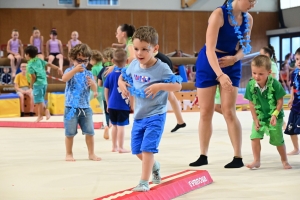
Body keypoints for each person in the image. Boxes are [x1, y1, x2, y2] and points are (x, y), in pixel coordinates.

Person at [190, 0, 255, 168]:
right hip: (209, 61)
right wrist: (219, 74)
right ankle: (203, 154)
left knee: (229, 110)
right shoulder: (218, 15)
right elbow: (210, 49)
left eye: (255, 1)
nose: (253, 4)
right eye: (250, 0)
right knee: (205, 111)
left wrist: (235, 58)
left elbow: (245, 46)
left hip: (231, 61)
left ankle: (238, 157)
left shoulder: (248, 18)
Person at [118, 26, 182, 192]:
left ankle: (143, 182)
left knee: (147, 149)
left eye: (144, 50)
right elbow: (122, 76)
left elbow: (177, 85)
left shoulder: (161, 68)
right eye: (136, 49)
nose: (139, 53)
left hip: (156, 115)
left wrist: (159, 86)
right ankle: (155, 165)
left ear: (155, 49)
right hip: (139, 115)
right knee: (137, 150)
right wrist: (122, 84)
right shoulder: (134, 65)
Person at [244, 55, 291, 169]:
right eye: (254, 73)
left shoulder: (275, 84)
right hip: (260, 116)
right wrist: (255, 119)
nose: (256, 76)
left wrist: (274, 115)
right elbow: (251, 103)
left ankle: (284, 160)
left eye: (260, 74)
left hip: (275, 116)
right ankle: (256, 160)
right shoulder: (251, 85)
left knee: (277, 140)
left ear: (269, 72)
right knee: (254, 136)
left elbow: (280, 102)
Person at [61, 43, 100, 162]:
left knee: (90, 132)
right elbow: (64, 78)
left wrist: (94, 86)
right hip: (71, 107)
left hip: (85, 107)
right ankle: (69, 153)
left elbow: (94, 89)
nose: (82, 64)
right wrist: (74, 70)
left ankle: (91, 153)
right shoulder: (70, 70)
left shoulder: (88, 74)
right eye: (79, 60)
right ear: (73, 59)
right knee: (70, 133)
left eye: (85, 61)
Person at [25, 46, 63, 122]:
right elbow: (49, 64)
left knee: (39, 100)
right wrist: (58, 68)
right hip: (44, 83)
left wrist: (30, 87)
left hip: (38, 83)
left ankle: (43, 113)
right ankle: (43, 114)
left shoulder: (29, 65)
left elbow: (33, 77)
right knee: (40, 100)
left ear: (27, 55)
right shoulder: (39, 60)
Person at [104, 48, 131, 153]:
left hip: (112, 104)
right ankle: (121, 147)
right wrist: (132, 104)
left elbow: (106, 90)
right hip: (122, 105)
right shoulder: (126, 75)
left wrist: (107, 103)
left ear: (113, 61)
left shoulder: (110, 75)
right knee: (121, 126)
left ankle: (114, 146)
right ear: (127, 61)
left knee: (114, 125)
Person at [154, 51, 186, 132]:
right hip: (162, 59)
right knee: (170, 95)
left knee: (163, 93)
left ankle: (179, 121)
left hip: (160, 61)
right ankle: (180, 121)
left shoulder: (131, 43)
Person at [284, 47, 300, 155]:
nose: (299, 62)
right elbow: (293, 87)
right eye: (298, 59)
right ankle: (296, 149)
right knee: (291, 129)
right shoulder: (294, 73)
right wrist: (291, 98)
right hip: (295, 106)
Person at [98, 47, 115, 140]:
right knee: (115, 112)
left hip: (106, 96)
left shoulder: (103, 70)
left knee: (106, 112)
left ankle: (106, 126)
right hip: (116, 95)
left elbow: (99, 84)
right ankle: (114, 125)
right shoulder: (116, 69)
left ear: (104, 59)